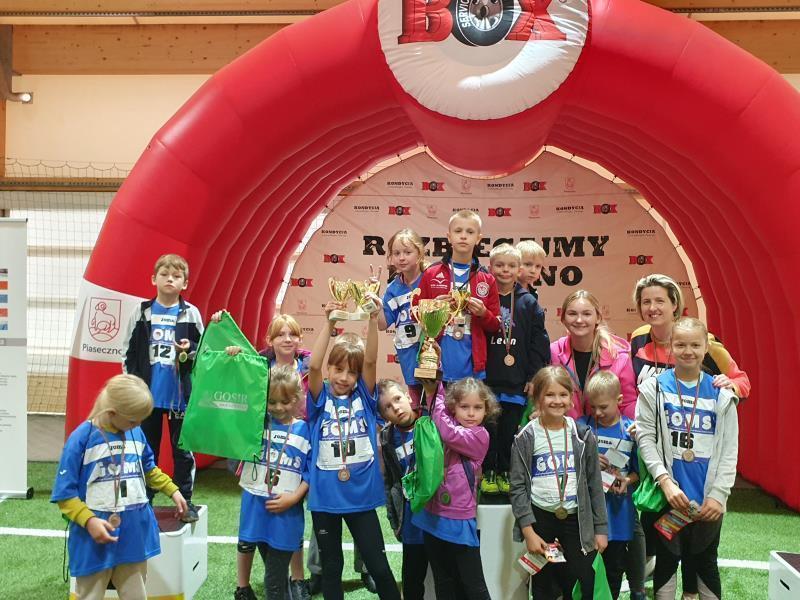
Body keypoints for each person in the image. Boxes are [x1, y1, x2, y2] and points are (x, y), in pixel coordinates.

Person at [630, 274, 750, 596]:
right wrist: (665, 482)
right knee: (667, 562)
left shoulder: (721, 394)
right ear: (671, 347)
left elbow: (730, 449)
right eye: (680, 345)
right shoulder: (652, 385)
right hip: (668, 494)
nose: (687, 351)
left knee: (705, 562)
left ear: (705, 348)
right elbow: (646, 437)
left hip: (707, 496)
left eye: (695, 345)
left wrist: (719, 494)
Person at [51, 374, 188, 600]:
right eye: (133, 420)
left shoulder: (136, 432)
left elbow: (148, 468)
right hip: (93, 539)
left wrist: (172, 490)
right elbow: (65, 494)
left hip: (134, 536)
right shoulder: (81, 439)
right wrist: (90, 521)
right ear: (112, 413)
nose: (138, 425)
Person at [306, 296, 401, 600]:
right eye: (338, 369)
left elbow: (370, 361)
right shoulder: (319, 400)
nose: (344, 378)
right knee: (332, 568)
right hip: (326, 499)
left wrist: (373, 320)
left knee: (379, 567)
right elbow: (314, 365)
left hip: (361, 498)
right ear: (330, 370)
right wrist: (330, 323)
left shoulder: (365, 399)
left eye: (351, 372)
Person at [509, 366, 608, 600]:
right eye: (550, 395)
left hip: (576, 520)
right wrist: (528, 531)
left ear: (572, 398)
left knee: (584, 580)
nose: (557, 400)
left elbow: (594, 484)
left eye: (563, 394)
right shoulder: (525, 437)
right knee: (544, 585)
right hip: (540, 518)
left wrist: (601, 529)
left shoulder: (583, 435)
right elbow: (518, 487)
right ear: (537, 399)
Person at [122, 253, 204, 522]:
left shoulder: (191, 313)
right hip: (147, 398)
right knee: (147, 451)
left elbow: (203, 352)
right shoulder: (142, 312)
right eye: (165, 274)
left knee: (183, 452)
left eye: (177, 276)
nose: (170, 279)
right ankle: (144, 501)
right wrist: (133, 388)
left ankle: (186, 501)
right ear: (153, 279)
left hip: (180, 397)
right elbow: (127, 351)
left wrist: (189, 350)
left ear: (185, 283)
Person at [411, 377, 498, 600]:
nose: (471, 413)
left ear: (486, 410)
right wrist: (435, 386)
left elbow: (448, 433)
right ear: (453, 408)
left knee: (473, 585)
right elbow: (442, 421)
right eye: (464, 407)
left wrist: (433, 393)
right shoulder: (447, 421)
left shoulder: (480, 436)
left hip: (459, 517)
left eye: (478, 407)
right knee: (443, 580)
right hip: (433, 512)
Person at [235, 365, 312, 600]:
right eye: (272, 402)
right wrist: (235, 358)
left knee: (273, 582)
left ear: (297, 398)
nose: (278, 407)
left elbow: (310, 474)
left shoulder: (304, 430)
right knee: (276, 578)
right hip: (256, 512)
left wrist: (294, 498)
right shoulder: (256, 423)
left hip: (285, 517)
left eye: (285, 401)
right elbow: (237, 393)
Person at [483, 243, 550, 495]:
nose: (505, 270)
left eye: (511, 266)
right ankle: (488, 472)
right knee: (489, 430)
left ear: (518, 269)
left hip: (515, 380)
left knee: (510, 431)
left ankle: (506, 471)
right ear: (490, 268)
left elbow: (538, 343)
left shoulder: (529, 302)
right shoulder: (484, 299)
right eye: (499, 265)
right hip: (487, 380)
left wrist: (533, 376)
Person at [577, 371, 646, 600]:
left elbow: (638, 472)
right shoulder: (582, 427)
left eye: (603, 407)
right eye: (593, 407)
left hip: (619, 514)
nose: (597, 413)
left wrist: (626, 481)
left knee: (614, 570)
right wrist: (589, 460)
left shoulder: (631, 431)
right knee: (586, 570)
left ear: (619, 400)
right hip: (588, 514)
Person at [414, 210, 501, 384]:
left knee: (470, 402)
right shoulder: (432, 273)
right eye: (458, 231)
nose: (463, 236)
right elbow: (414, 313)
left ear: (478, 239)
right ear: (449, 236)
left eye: (470, 232)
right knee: (438, 402)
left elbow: (495, 325)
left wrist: (483, 313)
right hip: (437, 358)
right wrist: (432, 308)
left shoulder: (487, 279)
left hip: (473, 363)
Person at [378, 378, 438, 600]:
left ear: (407, 396)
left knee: (446, 579)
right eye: (387, 407)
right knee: (412, 582)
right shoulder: (387, 437)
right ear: (383, 415)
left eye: (397, 399)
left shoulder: (430, 420)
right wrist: (394, 520)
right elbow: (390, 481)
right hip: (412, 520)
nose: (395, 408)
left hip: (438, 515)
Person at [550, 290, 636, 420]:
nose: (579, 320)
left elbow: (627, 403)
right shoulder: (554, 352)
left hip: (605, 430)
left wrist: (635, 425)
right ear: (563, 319)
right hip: (566, 430)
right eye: (572, 314)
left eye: (586, 314)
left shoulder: (618, 357)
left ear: (598, 318)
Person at [376, 228, 426, 409]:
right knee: (417, 407)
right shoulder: (393, 289)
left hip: (433, 354)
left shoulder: (431, 278)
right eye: (396, 253)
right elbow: (382, 324)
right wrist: (375, 304)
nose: (402, 258)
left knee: (437, 403)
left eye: (407, 252)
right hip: (408, 355)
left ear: (419, 254)